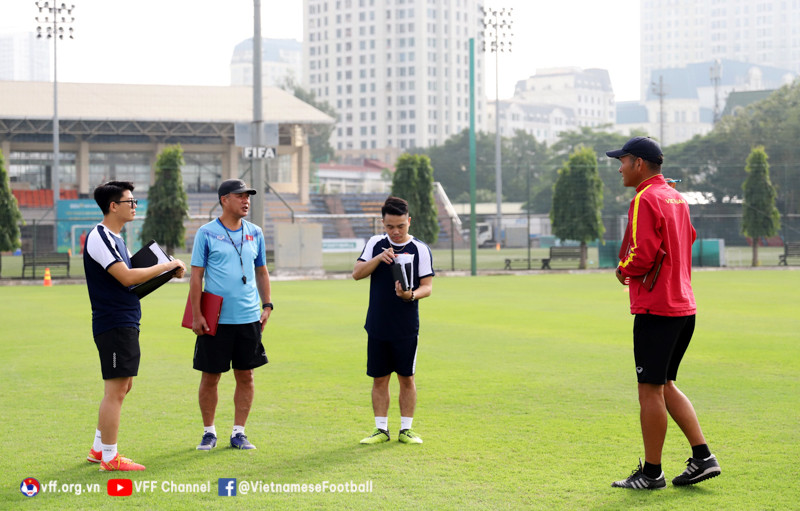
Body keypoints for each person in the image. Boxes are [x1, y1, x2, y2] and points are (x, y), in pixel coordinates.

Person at [606, 136, 721, 489]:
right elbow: (689, 238)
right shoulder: (675, 196)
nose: (620, 167)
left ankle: (652, 472)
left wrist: (623, 269)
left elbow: (642, 253)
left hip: (658, 307)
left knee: (650, 389)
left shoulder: (646, 197)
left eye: (622, 161)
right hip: (684, 305)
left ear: (639, 162)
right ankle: (703, 457)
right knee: (665, 384)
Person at [84, 181, 186, 471]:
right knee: (115, 390)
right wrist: (165, 265)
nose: (135, 206)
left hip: (125, 319)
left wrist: (166, 274)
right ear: (113, 206)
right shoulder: (99, 236)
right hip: (113, 321)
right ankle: (109, 458)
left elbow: (134, 282)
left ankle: (98, 448)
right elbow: (127, 277)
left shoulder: (116, 238)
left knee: (124, 385)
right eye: (130, 201)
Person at [189, 179, 272, 451]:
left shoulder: (255, 232)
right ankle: (208, 432)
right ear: (224, 199)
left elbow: (261, 271)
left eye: (248, 196)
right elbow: (196, 276)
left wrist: (267, 305)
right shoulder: (206, 233)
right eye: (240, 196)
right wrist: (197, 315)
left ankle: (239, 433)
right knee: (211, 376)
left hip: (248, 318)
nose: (246, 200)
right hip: (216, 320)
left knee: (246, 375)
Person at [353, 196, 434, 445]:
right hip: (377, 323)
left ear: (409, 221)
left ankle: (406, 430)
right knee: (379, 378)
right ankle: (380, 430)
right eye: (390, 227)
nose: (396, 231)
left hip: (406, 325)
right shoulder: (375, 243)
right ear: (383, 224)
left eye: (400, 226)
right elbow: (357, 273)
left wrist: (410, 296)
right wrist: (379, 258)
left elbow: (427, 287)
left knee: (406, 377)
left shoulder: (420, 248)